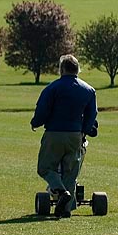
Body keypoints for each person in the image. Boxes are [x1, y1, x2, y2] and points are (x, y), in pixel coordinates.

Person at [30, 54, 98, 218]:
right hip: (75, 135)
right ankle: (65, 209)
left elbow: (43, 111)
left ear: (61, 69)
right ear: (78, 70)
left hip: (54, 132)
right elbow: (91, 115)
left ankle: (60, 192)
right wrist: (85, 130)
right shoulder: (88, 90)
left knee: (46, 167)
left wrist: (35, 122)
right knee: (70, 171)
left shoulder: (52, 88)